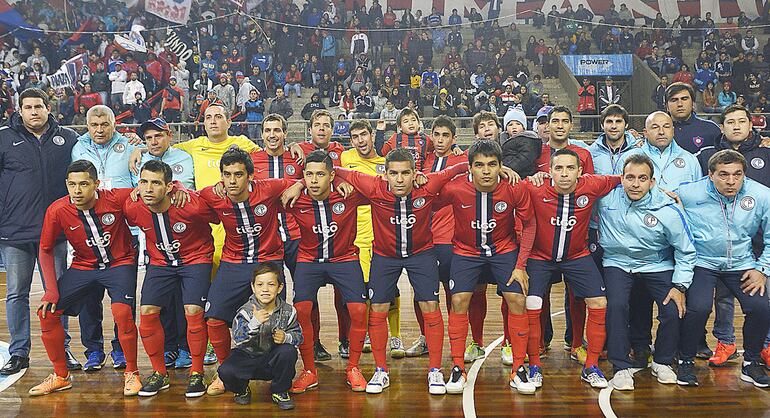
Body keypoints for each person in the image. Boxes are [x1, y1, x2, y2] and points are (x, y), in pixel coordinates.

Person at [333, 148, 470, 394]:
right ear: (384, 174)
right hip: (385, 257)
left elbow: (459, 168)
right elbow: (333, 170)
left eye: (406, 173)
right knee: (378, 309)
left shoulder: (428, 184)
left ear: (415, 173)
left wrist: (503, 169)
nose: (399, 179)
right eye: (393, 173)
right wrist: (306, 184)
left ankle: (435, 371)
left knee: (430, 306)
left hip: (422, 255)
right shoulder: (373, 185)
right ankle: (381, 371)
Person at [198, 148, 304, 396]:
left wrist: (298, 184)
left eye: (238, 174)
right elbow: (187, 197)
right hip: (233, 262)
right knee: (213, 318)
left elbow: (303, 179)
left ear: (250, 176)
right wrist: (179, 189)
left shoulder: (268, 188)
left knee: (274, 323)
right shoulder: (212, 195)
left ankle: (276, 372)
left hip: (268, 260)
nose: (232, 181)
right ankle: (225, 372)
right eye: (227, 175)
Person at [29, 160, 140, 396]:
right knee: (47, 312)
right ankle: (60, 375)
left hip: (120, 263)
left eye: (83, 184)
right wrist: (51, 289)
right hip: (83, 266)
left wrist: (179, 187)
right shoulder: (57, 210)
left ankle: (132, 372)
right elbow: (45, 249)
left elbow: (149, 189)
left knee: (121, 312)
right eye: (72, 185)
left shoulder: (116, 198)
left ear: (96, 184)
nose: (77, 191)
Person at [436, 140, 535, 394]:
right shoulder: (455, 188)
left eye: (492, 164)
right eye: (479, 165)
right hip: (466, 252)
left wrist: (521, 265)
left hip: (503, 250)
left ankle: (519, 369)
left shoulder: (515, 187)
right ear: (469, 168)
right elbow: (428, 200)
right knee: (459, 300)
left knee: (516, 298)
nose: (486, 171)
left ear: (502, 166)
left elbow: (530, 224)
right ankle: (458, 367)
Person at [524, 149, 622, 390]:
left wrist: (661, 191)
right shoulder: (534, 187)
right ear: (549, 171)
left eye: (570, 169)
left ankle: (591, 367)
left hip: (577, 256)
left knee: (599, 303)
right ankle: (534, 365)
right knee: (532, 305)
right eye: (559, 168)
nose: (564, 174)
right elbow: (505, 183)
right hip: (540, 257)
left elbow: (624, 177)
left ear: (580, 172)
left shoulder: (593, 184)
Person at [0, 88, 81, 376]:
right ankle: (19, 352)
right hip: (15, 231)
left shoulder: (68, 139)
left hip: (56, 233)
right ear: (19, 110)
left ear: (49, 108)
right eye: (28, 107)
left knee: (57, 293)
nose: (34, 111)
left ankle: (64, 348)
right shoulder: (3, 139)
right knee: (16, 294)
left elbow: (94, 155)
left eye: (39, 106)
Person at [674, 150, 770, 388]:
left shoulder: (761, 195)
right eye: (724, 175)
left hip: (742, 264)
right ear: (710, 175)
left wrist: (762, 269)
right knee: (698, 308)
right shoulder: (689, 192)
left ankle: (751, 361)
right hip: (703, 262)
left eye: (737, 175)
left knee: (760, 307)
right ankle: (685, 360)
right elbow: (659, 199)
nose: (731, 181)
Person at [600, 154, 696, 391]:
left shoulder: (668, 208)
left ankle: (662, 361)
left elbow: (686, 250)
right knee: (616, 306)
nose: (635, 184)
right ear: (621, 178)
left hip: (657, 264)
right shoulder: (605, 199)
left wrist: (680, 285)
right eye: (630, 177)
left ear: (652, 182)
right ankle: (620, 366)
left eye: (642, 178)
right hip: (617, 262)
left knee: (673, 308)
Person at [123, 160, 215, 398]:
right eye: (144, 182)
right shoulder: (133, 207)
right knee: (147, 313)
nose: (148, 188)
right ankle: (159, 373)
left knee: (193, 311)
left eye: (155, 183)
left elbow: (217, 215)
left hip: (196, 259)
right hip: (161, 263)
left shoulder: (191, 205)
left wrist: (186, 189)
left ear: (169, 186)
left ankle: (197, 373)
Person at [282, 150, 370, 394]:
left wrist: (342, 179)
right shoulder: (294, 198)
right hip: (309, 260)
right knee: (301, 309)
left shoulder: (348, 194)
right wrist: (297, 184)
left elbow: (373, 183)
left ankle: (353, 367)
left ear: (331, 175)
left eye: (320, 174)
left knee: (359, 309)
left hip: (344, 258)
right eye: (308, 175)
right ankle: (309, 371)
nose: (313, 180)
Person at [695, 105, 770, 367]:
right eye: (730, 122)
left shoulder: (766, 152)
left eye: (741, 121)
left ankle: (766, 346)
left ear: (751, 124)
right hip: (727, 240)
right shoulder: (708, 156)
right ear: (722, 126)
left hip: (763, 239)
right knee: (723, 296)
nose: (736, 126)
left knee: (762, 294)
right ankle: (725, 341)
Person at [340, 120, 404, 359]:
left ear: (371, 135)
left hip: (386, 234)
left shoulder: (385, 165)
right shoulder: (345, 159)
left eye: (363, 135)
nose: (360, 141)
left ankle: (395, 337)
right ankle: (367, 332)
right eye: (355, 137)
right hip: (357, 236)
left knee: (391, 288)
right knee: (365, 288)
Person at [407, 116, 469, 358]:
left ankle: (459, 343)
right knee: (421, 291)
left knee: (453, 292)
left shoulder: (463, 161)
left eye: (446, 135)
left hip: (450, 236)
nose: (441, 139)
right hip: (421, 236)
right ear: (430, 136)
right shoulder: (422, 161)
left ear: (454, 138)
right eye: (437, 134)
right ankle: (425, 338)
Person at [218, 262, 301, 409]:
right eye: (260, 285)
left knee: (288, 351)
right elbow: (238, 339)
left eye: (271, 284)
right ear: (253, 287)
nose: (265, 289)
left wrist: (286, 337)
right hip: (247, 357)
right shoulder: (245, 311)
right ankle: (241, 390)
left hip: (272, 360)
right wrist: (254, 323)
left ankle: (280, 391)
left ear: (280, 287)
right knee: (225, 371)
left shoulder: (289, 311)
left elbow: (299, 336)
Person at [666, 82, 721, 153]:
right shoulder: (659, 132)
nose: (680, 104)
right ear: (667, 106)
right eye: (674, 100)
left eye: (684, 99)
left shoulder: (711, 129)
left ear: (693, 103)